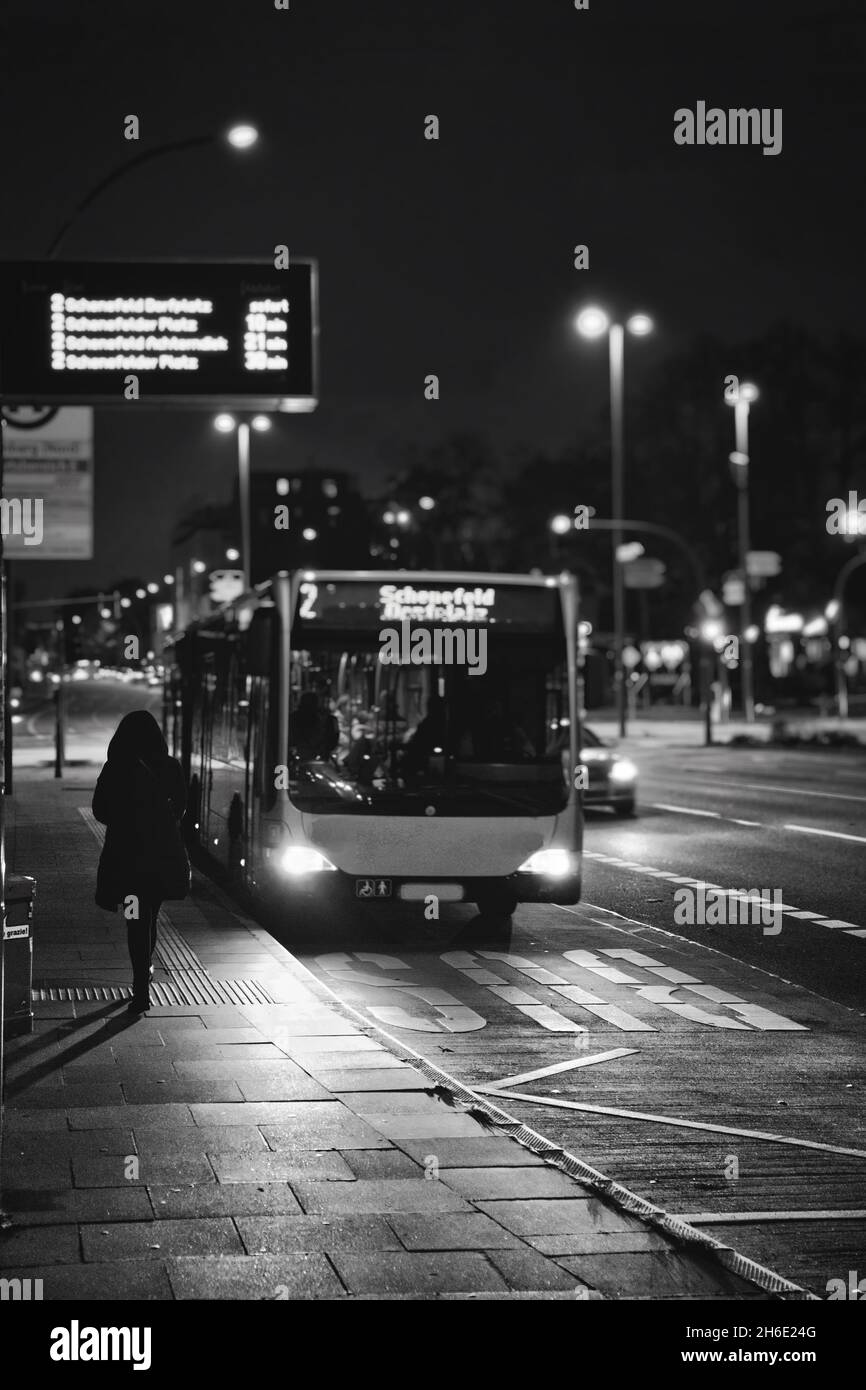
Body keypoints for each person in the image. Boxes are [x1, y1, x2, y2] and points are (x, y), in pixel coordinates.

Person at [92, 710, 186, 1015]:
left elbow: (99, 811)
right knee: (151, 914)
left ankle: (140, 987)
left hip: (127, 859)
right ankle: (144, 973)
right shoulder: (171, 767)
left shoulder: (115, 767)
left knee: (136, 919)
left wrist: (125, 819)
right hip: (160, 858)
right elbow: (181, 808)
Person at [290, 691, 339, 763]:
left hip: (317, 759)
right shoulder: (328, 719)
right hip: (307, 759)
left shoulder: (328, 719)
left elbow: (333, 741)